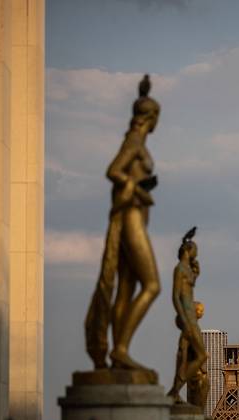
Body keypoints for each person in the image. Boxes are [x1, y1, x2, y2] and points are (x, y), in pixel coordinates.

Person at [84, 74, 161, 372]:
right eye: (156, 117)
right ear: (150, 116)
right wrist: (139, 188)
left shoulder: (137, 141)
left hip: (135, 214)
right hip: (131, 216)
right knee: (152, 285)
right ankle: (120, 348)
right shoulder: (134, 140)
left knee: (127, 287)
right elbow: (114, 170)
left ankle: (120, 351)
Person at [167, 229, 208, 403]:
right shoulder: (179, 269)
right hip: (188, 319)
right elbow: (176, 295)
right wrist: (183, 317)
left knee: (189, 356)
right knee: (200, 356)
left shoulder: (186, 269)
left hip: (191, 318)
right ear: (187, 250)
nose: (196, 253)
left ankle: (175, 391)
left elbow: (187, 289)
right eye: (194, 250)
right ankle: (174, 391)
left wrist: (195, 274)